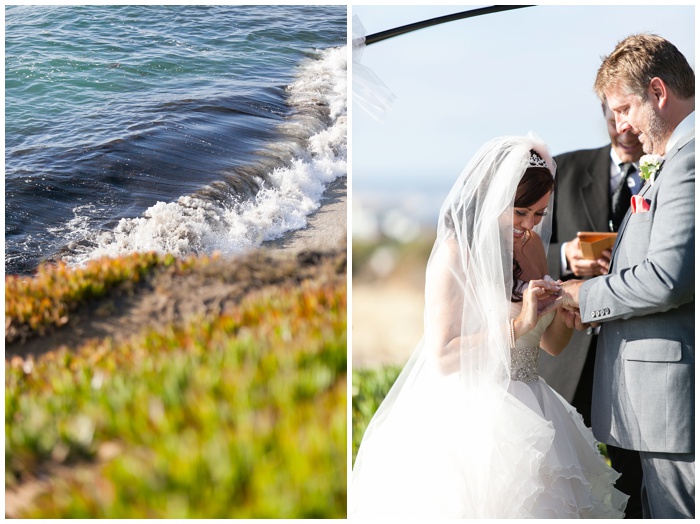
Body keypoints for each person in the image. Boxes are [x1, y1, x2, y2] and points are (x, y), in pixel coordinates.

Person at [351, 134, 628, 518]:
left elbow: (550, 346)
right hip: (477, 417)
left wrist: (565, 318)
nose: (529, 225)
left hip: (538, 411)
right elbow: (445, 356)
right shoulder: (455, 254)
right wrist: (520, 323)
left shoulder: (531, 246)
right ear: (493, 198)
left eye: (539, 214)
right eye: (519, 212)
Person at [558, 34, 694, 519]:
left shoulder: (689, 161)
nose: (623, 126)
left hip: (674, 406)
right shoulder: (675, 159)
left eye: (625, 108)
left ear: (658, 92)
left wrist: (585, 293)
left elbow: (668, 277)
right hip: (657, 406)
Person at [539, 103, 644, 518]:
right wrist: (565, 256)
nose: (622, 128)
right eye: (611, 115)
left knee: (634, 484)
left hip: (637, 361)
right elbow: (518, 247)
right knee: (556, 484)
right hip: (565, 359)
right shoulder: (563, 169)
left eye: (628, 115)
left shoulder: (677, 176)